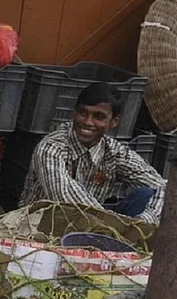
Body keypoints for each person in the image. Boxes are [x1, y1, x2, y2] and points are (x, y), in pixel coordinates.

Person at [19, 82, 164, 224]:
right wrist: (116, 226)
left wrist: (144, 221)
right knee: (77, 190)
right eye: (83, 113)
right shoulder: (51, 147)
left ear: (114, 121)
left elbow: (161, 186)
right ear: (74, 113)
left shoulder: (114, 151)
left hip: (95, 227)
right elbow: (64, 196)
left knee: (146, 195)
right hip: (41, 226)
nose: (88, 122)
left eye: (98, 117)